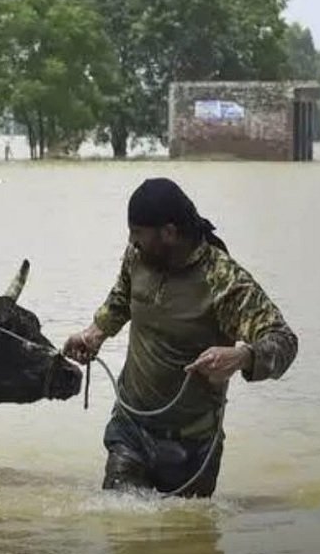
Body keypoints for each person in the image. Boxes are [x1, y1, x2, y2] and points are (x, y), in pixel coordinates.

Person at [63, 178, 298, 498]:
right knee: (120, 528)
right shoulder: (137, 257)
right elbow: (121, 299)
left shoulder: (223, 280)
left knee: (186, 540)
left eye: (138, 234)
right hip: (131, 429)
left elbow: (284, 340)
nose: (132, 242)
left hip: (193, 447)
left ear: (170, 233)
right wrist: (93, 335)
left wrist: (243, 356)